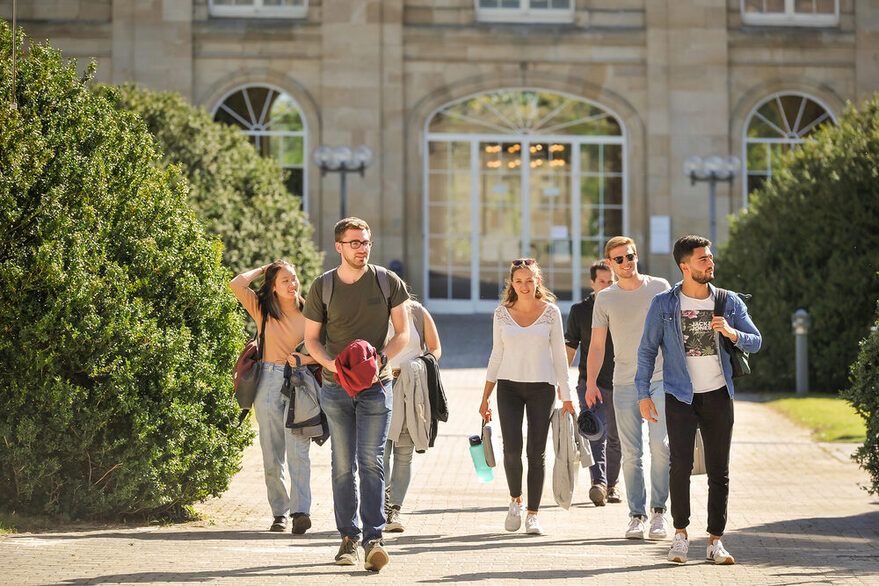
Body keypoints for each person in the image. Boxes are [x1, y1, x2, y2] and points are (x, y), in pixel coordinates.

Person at [635, 235, 762, 565]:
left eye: (710, 258)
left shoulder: (728, 300)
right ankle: (680, 535)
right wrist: (642, 395)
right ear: (685, 266)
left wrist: (732, 333)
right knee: (680, 466)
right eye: (703, 259)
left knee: (719, 471)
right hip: (680, 395)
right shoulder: (664, 304)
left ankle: (715, 541)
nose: (710, 263)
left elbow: (756, 341)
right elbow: (647, 351)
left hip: (719, 395)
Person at [303, 217, 410, 573]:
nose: (362, 249)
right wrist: (333, 365)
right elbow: (312, 340)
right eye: (354, 243)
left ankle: (374, 539)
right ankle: (348, 538)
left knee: (371, 460)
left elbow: (403, 333)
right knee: (342, 464)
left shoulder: (386, 281)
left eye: (366, 242)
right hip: (335, 388)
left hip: (376, 386)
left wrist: (378, 359)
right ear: (339, 246)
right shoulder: (323, 286)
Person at [479, 258, 576, 536]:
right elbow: (496, 354)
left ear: (538, 282)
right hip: (508, 387)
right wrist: (485, 397)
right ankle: (515, 501)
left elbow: (560, 356)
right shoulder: (501, 313)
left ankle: (533, 514)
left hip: (541, 389)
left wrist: (567, 396)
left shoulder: (551, 313)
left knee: (536, 452)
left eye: (529, 280)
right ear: (512, 283)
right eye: (519, 281)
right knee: (511, 449)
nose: (524, 286)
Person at [586, 236, 671, 541]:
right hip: (623, 383)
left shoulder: (660, 287)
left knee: (661, 447)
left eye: (630, 256)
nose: (627, 263)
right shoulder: (605, 298)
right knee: (632, 453)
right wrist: (591, 382)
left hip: (660, 379)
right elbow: (596, 346)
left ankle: (660, 512)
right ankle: (637, 515)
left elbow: (675, 331)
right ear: (609, 263)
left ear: (637, 256)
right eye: (619, 259)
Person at [229, 260, 317, 535]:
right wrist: (264, 269)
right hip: (268, 378)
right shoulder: (262, 310)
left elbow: (323, 351)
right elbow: (236, 284)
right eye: (285, 281)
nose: (293, 285)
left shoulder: (311, 312)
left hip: (300, 379)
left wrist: (305, 358)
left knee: (298, 450)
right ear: (274, 287)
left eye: (294, 278)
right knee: (271, 451)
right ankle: (279, 513)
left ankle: (300, 511)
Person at [565, 260, 622, 507]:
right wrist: (560, 381)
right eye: (602, 282)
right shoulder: (580, 311)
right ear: (592, 283)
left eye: (611, 282)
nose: (608, 286)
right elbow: (570, 348)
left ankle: (612, 485)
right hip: (591, 384)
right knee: (595, 433)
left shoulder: (623, 306)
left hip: (621, 382)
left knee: (616, 438)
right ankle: (598, 483)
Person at [384, 296, 443, 533]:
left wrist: (418, 365)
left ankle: (394, 508)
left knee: (404, 453)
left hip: (411, 389)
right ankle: (381, 505)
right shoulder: (374, 311)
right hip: (382, 385)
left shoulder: (417, 313)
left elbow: (435, 348)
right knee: (380, 451)